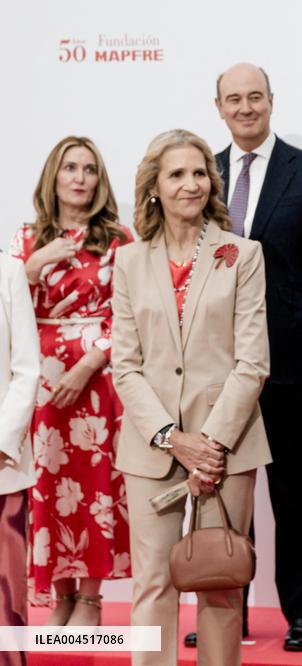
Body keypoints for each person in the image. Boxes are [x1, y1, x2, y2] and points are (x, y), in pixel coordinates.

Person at [112, 129, 271, 666]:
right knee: (153, 585)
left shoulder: (242, 254)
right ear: (154, 186)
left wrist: (210, 444)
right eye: (177, 174)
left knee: (220, 585)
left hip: (228, 446)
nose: (191, 184)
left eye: (200, 173)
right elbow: (126, 366)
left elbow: (253, 362)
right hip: (151, 449)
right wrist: (171, 438)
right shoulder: (130, 262)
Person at [206, 62, 302, 651]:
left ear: (270, 102)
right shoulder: (201, 173)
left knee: (295, 498)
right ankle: (224, 607)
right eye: (233, 99)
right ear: (220, 108)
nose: (245, 108)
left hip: (288, 365)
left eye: (254, 97)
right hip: (216, 367)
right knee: (223, 494)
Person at [10, 137, 132, 625]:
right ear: (53, 177)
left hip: (97, 383)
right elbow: (9, 313)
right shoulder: (26, 239)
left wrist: (89, 363)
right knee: (49, 484)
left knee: (95, 487)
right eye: (70, 168)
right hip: (40, 386)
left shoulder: (118, 239)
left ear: (99, 180)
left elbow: (130, 313)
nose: (80, 177)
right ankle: (61, 594)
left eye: (89, 169)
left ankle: (91, 598)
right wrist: (34, 266)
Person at [0, 251, 41, 666]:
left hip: (2, 467)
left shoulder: (8, 270)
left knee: (5, 592)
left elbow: (26, 368)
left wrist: (2, 444)